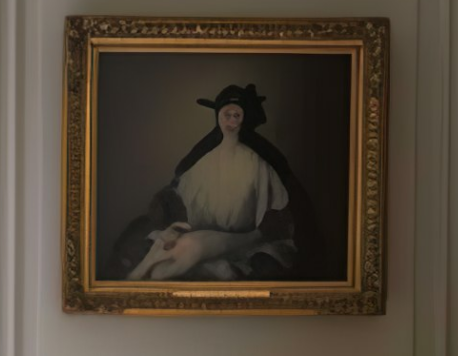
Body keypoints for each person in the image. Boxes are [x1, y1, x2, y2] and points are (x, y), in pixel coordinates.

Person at [107, 82, 321, 284]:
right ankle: (139, 275)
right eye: (227, 115)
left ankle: (142, 275)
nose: (232, 121)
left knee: (191, 249)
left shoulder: (258, 162)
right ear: (218, 117)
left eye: (237, 115)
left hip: (240, 238)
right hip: (202, 232)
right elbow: (178, 195)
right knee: (174, 248)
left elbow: (277, 210)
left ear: (243, 119)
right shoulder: (203, 161)